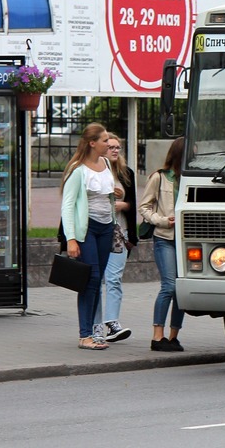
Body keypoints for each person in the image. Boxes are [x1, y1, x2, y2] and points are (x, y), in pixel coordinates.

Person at [60, 122, 116, 350]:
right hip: (88, 229)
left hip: (106, 227)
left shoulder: (106, 164)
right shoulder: (78, 170)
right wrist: (71, 238)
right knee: (90, 280)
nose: (108, 144)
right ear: (92, 143)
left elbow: (107, 194)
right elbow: (67, 206)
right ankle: (85, 335)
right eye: (104, 140)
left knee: (98, 278)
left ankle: (93, 332)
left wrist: (116, 194)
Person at [139, 136, 185, 353]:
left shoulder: (191, 178)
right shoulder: (160, 177)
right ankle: (157, 336)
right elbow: (144, 207)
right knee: (169, 286)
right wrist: (162, 220)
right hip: (165, 238)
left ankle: (173, 336)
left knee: (182, 290)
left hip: (186, 242)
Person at [92, 132, 136, 344]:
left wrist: (124, 205)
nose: (115, 150)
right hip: (96, 232)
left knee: (114, 278)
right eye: (111, 147)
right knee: (95, 279)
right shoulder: (90, 172)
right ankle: (95, 324)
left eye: (118, 147)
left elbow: (134, 205)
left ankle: (112, 322)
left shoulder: (127, 174)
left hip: (120, 234)